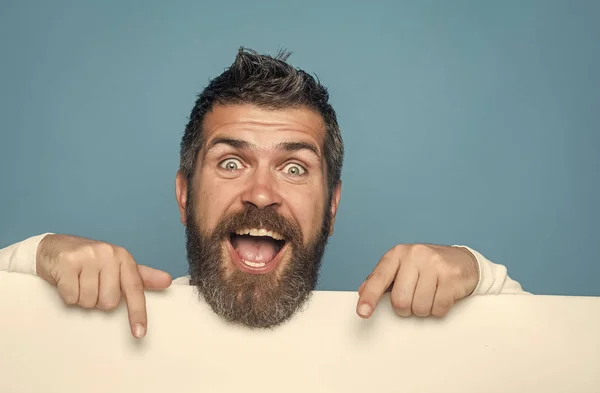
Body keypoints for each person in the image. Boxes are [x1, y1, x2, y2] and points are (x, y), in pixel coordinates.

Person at [0, 48, 526, 339]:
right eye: (231, 162)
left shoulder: (400, 343)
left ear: (333, 206)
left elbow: (560, 355)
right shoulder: (97, 331)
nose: (260, 193)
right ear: (185, 195)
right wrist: (38, 255)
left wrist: (473, 270)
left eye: (294, 168)